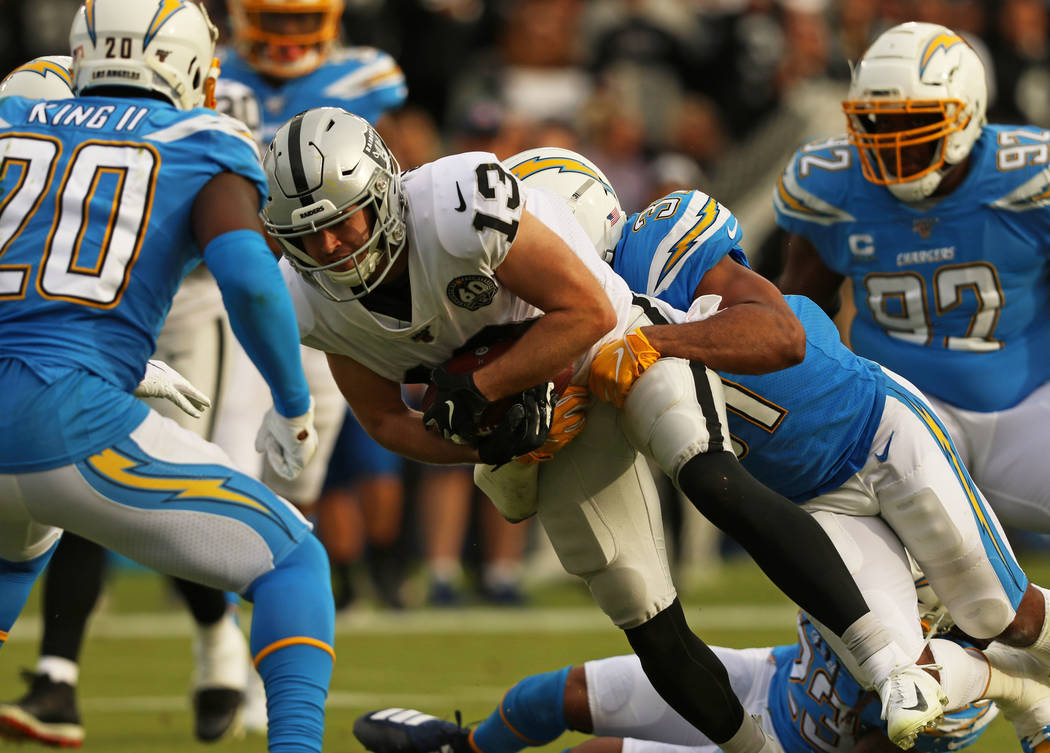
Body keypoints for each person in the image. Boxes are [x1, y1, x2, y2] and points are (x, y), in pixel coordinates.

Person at [261, 107, 943, 752]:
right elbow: (385, 419)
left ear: (382, 192)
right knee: (641, 608)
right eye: (306, 236)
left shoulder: (460, 204)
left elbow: (586, 310)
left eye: (343, 222)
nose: (329, 246)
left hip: (613, 347)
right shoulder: (305, 299)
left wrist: (485, 387)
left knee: (710, 475)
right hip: (546, 419)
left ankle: (891, 665)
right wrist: (493, 440)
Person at [503, 146, 1050, 749]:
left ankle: (1030, 695)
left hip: (876, 429)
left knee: (1001, 615)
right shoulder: (568, 335)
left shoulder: (658, 245)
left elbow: (782, 336)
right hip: (809, 501)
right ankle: (1027, 693)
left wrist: (655, 341)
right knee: (899, 674)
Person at [0, 4, 334, 753]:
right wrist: (291, 402)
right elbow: (249, 281)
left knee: (10, 558)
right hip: (65, 419)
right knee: (293, 563)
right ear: (186, 63)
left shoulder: (14, 113)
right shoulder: (202, 136)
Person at [774, 21, 1050, 535]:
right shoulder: (831, 186)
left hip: (1025, 412)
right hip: (899, 418)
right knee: (856, 553)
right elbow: (798, 317)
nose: (894, 142)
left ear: (965, 116)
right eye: (879, 123)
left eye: (916, 122)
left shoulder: (1029, 178)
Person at [351, 599, 1050, 753]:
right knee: (554, 693)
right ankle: (460, 750)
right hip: (771, 678)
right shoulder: (864, 548)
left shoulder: (952, 688)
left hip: (784, 749)